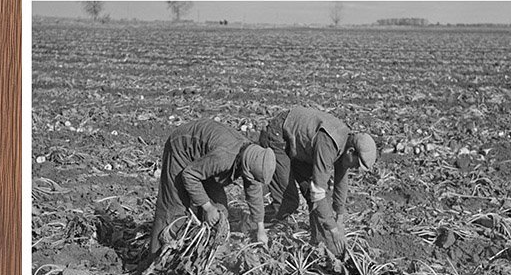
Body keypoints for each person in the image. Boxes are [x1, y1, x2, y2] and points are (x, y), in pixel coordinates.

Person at [259, 106, 378, 257]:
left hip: (300, 147)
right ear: (351, 152)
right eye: (357, 164)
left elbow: (341, 181)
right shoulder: (329, 144)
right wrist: (334, 230)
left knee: (321, 201)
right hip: (278, 137)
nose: (356, 168)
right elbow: (318, 192)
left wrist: (339, 218)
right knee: (287, 202)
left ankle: (320, 250)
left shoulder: (346, 145)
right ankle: (251, 228)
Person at [149, 118, 277, 257]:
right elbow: (189, 175)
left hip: (206, 158)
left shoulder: (253, 157)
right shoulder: (224, 158)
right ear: (246, 169)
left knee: (220, 211)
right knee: (174, 210)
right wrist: (208, 208)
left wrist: (260, 229)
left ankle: (211, 256)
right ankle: (155, 260)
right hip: (182, 148)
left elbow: (254, 194)